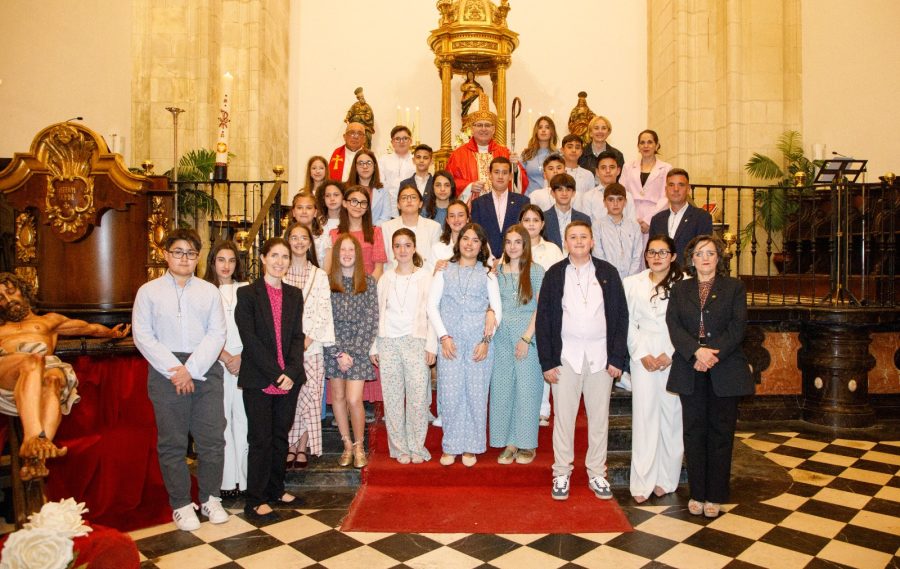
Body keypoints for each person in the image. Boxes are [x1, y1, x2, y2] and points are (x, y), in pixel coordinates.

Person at [132, 227, 229, 531]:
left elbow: (217, 333)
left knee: (212, 440)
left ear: (198, 257)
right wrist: (176, 369)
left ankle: (212, 498)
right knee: (172, 442)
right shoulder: (148, 292)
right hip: (166, 373)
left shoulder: (208, 291)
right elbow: (143, 336)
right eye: (178, 252)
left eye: (190, 253)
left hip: (204, 368)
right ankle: (181, 504)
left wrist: (192, 368)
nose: (184, 258)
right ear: (165, 255)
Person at [0, 273, 129, 481]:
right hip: (8, 369)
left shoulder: (48, 321)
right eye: (1, 298)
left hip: (43, 369)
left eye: (10, 291)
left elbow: (88, 328)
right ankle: (33, 437)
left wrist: (111, 334)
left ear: (22, 290)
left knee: (54, 380)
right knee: (32, 361)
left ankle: (37, 458)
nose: (8, 300)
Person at [536, 221, 628, 501]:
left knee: (599, 419)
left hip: (600, 358)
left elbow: (621, 317)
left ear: (592, 242)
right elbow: (544, 320)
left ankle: (597, 473)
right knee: (563, 419)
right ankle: (561, 473)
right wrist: (548, 361)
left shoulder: (608, 273)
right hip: (566, 358)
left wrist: (616, 358)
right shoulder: (555, 274)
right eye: (573, 237)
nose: (578, 241)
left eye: (583, 237)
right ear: (565, 242)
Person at [666, 235, 754, 518]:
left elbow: (738, 326)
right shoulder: (680, 289)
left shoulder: (734, 287)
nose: (705, 258)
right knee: (693, 432)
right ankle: (697, 493)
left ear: (719, 258)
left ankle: (715, 495)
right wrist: (696, 352)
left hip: (724, 366)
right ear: (691, 259)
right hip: (691, 367)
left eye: (711, 253)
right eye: (700, 254)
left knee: (721, 433)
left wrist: (712, 354)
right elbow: (674, 325)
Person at [234, 237, 304, 519]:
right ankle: (255, 498)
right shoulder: (247, 294)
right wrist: (276, 374)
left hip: (289, 379)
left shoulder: (294, 294)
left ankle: (276, 488)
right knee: (260, 439)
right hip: (260, 379)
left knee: (279, 437)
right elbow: (249, 340)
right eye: (274, 255)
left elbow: (297, 337)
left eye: (284, 257)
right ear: (262, 258)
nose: (279, 262)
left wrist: (291, 372)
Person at [427, 223, 502, 467]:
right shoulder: (444, 270)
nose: (469, 243)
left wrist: (486, 341)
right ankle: (451, 445)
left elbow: (496, 311)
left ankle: (471, 446)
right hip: (450, 343)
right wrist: (443, 337)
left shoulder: (488, 274)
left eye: (475, 240)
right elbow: (432, 306)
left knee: (476, 394)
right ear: (459, 243)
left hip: (478, 344)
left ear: (482, 246)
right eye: (465, 239)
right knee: (450, 394)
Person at [623, 235, 683, 503]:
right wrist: (642, 353)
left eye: (663, 252)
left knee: (672, 417)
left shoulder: (684, 285)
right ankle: (642, 480)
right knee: (644, 416)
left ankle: (666, 479)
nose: (657, 257)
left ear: (672, 256)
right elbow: (626, 321)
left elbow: (687, 323)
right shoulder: (632, 283)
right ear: (645, 256)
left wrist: (669, 353)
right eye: (652, 252)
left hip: (675, 353)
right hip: (642, 355)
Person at [371, 229, 437, 464]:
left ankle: (417, 446)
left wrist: (432, 344)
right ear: (392, 249)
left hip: (416, 340)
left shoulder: (425, 277)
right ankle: (399, 448)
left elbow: (432, 313)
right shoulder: (386, 278)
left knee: (418, 397)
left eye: (407, 245)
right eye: (398, 245)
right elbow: (378, 312)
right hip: (388, 341)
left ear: (414, 247)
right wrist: (374, 346)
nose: (402, 250)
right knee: (393, 398)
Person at [490, 225, 545, 465]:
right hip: (501, 336)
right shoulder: (496, 271)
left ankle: (527, 443)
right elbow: (490, 302)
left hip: (527, 335)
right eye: (508, 242)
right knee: (503, 388)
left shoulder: (535, 271)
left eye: (517, 242)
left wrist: (526, 338)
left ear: (525, 245)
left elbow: (541, 308)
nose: (512, 246)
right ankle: (509, 442)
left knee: (527, 388)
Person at [325, 234, 379, 469]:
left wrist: (353, 353)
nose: (346, 254)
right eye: (342, 250)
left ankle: (359, 445)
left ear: (357, 255)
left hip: (358, 348)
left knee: (354, 399)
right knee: (337, 397)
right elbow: (325, 321)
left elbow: (371, 320)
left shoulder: (368, 283)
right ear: (337, 255)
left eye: (351, 250)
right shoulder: (326, 283)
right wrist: (338, 353)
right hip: (334, 348)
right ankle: (346, 444)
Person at [283, 223, 335, 469]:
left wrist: (307, 341)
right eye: (294, 237)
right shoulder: (278, 273)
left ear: (310, 243)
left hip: (312, 348)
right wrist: (290, 345)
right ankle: (288, 446)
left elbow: (324, 312)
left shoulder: (319, 275)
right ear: (287, 241)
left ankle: (302, 446)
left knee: (310, 398)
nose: (299, 242)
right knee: (288, 398)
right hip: (283, 349)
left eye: (304, 238)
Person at [202, 241, 248, 498]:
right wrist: (224, 355)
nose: (226, 265)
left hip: (244, 361)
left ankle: (245, 479)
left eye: (231, 260)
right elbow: (201, 331)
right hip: (216, 361)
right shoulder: (204, 290)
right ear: (212, 262)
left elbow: (254, 328)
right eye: (221, 260)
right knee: (222, 422)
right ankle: (227, 481)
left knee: (243, 420)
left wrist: (241, 356)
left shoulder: (247, 289)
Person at [517, 205, 563, 427]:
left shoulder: (552, 249)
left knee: (543, 357)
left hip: (546, 309)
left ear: (543, 224)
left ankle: (543, 408)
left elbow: (560, 278)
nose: (531, 224)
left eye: (536, 220)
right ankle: (523, 406)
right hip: (519, 311)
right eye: (527, 220)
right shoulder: (514, 246)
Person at [446, 92, 527, 202]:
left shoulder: (505, 153)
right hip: (471, 211)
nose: (483, 129)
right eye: (479, 125)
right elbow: (448, 183)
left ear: (494, 129)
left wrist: (515, 168)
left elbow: (520, 184)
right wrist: (469, 187)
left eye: (488, 125)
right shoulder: (458, 155)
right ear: (472, 128)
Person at [470, 157, 530, 258]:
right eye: (496, 172)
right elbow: (476, 235)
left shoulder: (523, 202)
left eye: (505, 173)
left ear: (510, 176)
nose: (500, 176)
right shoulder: (478, 203)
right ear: (489, 175)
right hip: (485, 260)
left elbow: (525, 234)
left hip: (514, 259)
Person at [620, 130, 672, 246]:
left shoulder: (666, 168)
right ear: (638, 146)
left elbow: (666, 197)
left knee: (652, 252)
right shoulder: (628, 167)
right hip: (632, 215)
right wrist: (634, 218)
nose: (646, 146)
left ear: (657, 145)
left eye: (650, 142)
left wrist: (649, 220)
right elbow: (623, 193)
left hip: (656, 215)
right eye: (642, 143)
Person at [649, 168, 713, 260]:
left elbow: (703, 252)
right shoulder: (657, 220)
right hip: (662, 273)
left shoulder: (701, 217)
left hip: (689, 273)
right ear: (666, 190)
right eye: (671, 185)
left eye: (681, 185)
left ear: (688, 189)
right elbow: (652, 253)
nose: (675, 189)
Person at [326, 185, 387, 279]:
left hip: (369, 289)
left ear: (367, 207)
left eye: (363, 203)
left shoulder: (376, 232)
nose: (358, 206)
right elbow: (330, 268)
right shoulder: (334, 234)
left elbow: (378, 270)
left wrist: (366, 291)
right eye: (354, 201)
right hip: (340, 289)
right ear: (345, 203)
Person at [381, 182, 442, 269]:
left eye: (413, 197)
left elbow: (435, 260)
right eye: (404, 198)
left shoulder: (434, 227)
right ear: (398, 204)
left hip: (425, 277)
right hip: (394, 277)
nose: (409, 201)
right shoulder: (386, 227)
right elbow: (384, 262)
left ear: (420, 203)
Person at [592, 183, 644, 280]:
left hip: (631, 279)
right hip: (607, 279)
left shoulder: (634, 226)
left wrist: (630, 279)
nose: (615, 204)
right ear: (604, 202)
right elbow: (598, 255)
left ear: (625, 202)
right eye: (611, 200)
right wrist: (611, 278)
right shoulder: (597, 226)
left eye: (619, 199)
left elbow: (637, 255)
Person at [542, 173, 591, 251]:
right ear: (552, 193)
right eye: (560, 190)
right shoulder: (543, 218)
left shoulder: (584, 219)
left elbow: (587, 247)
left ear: (573, 193)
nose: (564, 194)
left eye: (568, 190)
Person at [347, 150, 391, 227]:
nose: (365, 166)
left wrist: (370, 229)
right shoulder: (346, 188)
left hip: (376, 232)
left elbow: (385, 217)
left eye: (369, 163)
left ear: (374, 166)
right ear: (355, 167)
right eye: (360, 163)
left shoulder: (383, 189)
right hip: (351, 232)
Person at [379, 126, 416, 217]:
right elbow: (380, 184)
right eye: (397, 139)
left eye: (405, 138)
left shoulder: (416, 160)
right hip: (388, 209)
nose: (401, 142)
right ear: (392, 142)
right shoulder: (384, 160)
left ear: (410, 141)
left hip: (411, 209)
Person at [290, 191, 330, 265]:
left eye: (308, 208)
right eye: (299, 208)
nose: (304, 211)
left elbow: (326, 273)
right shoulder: (285, 239)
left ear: (315, 213)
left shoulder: (325, 241)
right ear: (293, 212)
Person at [520, 116, 559, 193]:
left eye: (547, 127)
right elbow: (518, 176)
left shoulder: (558, 154)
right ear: (536, 131)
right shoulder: (527, 154)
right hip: (529, 197)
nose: (543, 130)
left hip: (551, 197)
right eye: (540, 127)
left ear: (552, 132)